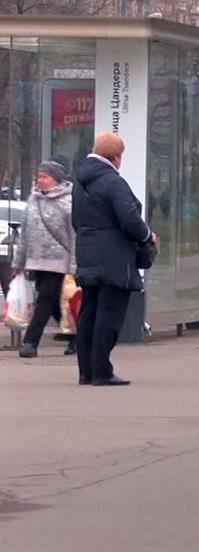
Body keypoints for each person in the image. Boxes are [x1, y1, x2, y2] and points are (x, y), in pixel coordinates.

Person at [72, 133, 155, 386]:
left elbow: (76, 221)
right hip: (114, 257)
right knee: (109, 314)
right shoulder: (113, 182)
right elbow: (129, 219)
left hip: (87, 251)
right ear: (116, 157)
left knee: (89, 312)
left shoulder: (80, 182)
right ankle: (102, 371)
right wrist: (147, 236)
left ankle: (86, 371)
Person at [12, 159, 76, 358]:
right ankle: (77, 338)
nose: (40, 180)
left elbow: (75, 234)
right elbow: (25, 233)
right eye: (38, 176)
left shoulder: (69, 202)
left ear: (56, 179)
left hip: (59, 261)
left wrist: (74, 265)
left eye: (44, 176)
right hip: (36, 260)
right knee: (54, 303)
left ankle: (30, 342)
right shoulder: (33, 200)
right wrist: (19, 261)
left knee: (44, 299)